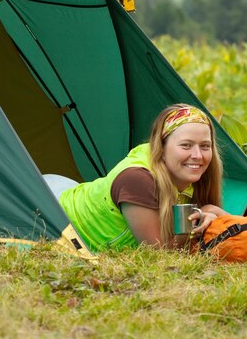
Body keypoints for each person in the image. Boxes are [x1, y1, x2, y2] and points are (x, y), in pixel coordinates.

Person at [51, 104, 226, 252]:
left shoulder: (196, 175)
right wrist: (204, 219)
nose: (197, 155)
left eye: (205, 146)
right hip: (49, 206)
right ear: (161, 147)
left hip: (73, 189)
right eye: (186, 145)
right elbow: (158, 254)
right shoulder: (137, 180)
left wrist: (213, 212)